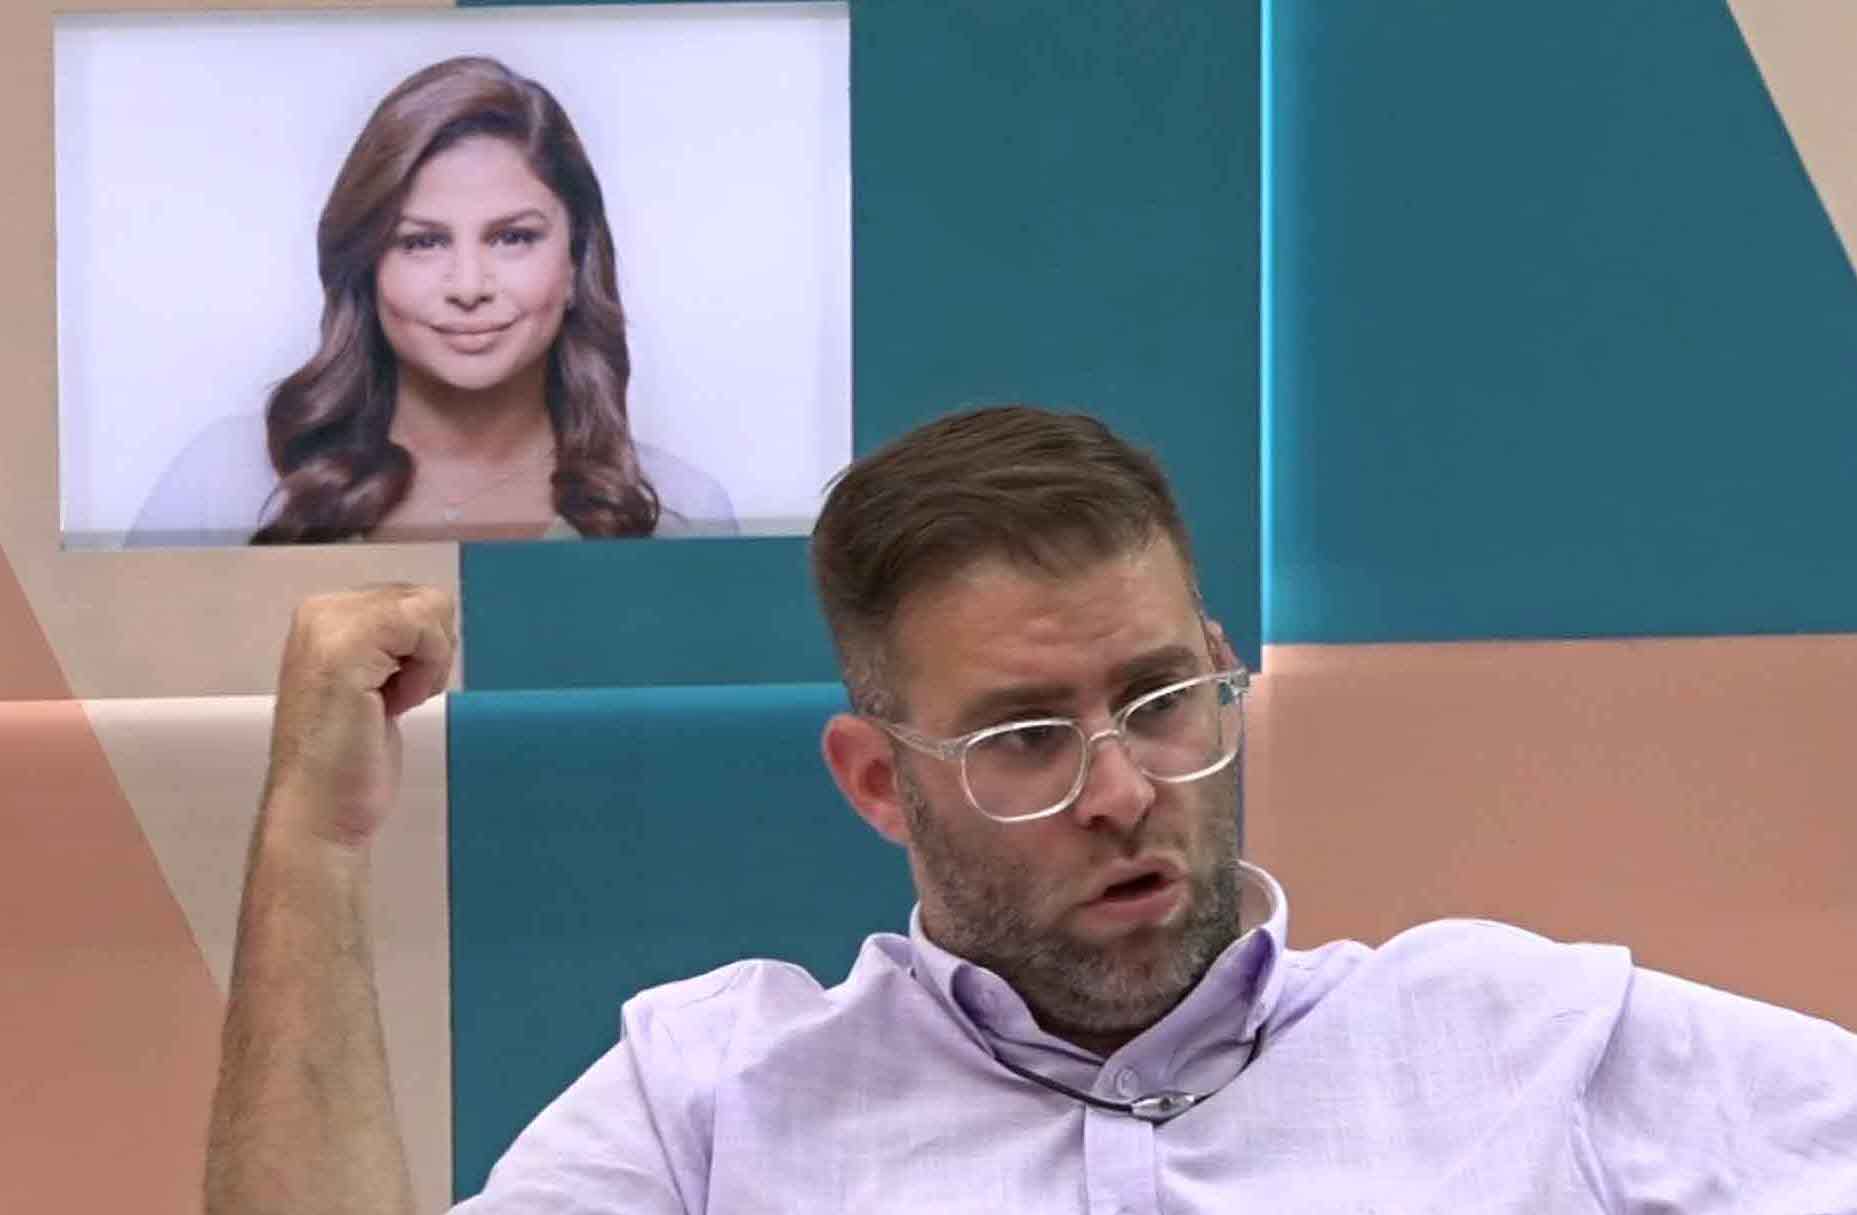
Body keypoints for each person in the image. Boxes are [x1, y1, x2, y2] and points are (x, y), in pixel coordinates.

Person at [206, 406, 1857, 1212]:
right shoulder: (714, 1102)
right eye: (1020, 738)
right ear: (877, 782)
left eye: (1161, 698)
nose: (1123, 791)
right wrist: (315, 844)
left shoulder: (1518, 1039)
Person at [127, 56, 734, 548]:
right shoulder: (223, 485)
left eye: (513, 238)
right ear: (366, 265)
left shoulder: (678, 512)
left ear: (576, 262)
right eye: (422, 242)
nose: (468, 287)